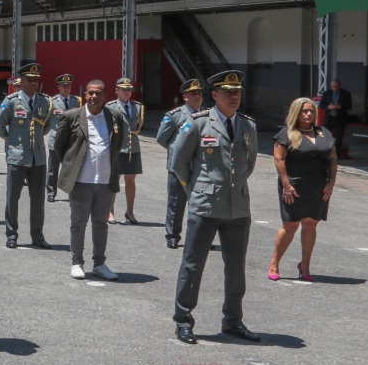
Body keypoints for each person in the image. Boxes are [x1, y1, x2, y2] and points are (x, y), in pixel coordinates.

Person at [167, 69, 260, 345]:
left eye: (238, 92)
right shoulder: (197, 123)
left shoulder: (248, 126)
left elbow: (248, 164)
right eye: (228, 92)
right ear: (215, 95)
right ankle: (183, 320)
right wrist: (195, 191)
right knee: (193, 266)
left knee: (236, 269)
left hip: (238, 209)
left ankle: (232, 320)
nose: (234, 96)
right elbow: (179, 163)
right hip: (205, 206)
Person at [50, 80, 127, 281]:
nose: (94, 97)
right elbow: (60, 147)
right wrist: (72, 166)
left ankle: (99, 264)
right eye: (90, 93)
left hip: (105, 180)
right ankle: (77, 263)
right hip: (81, 181)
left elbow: (118, 144)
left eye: (98, 94)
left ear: (105, 96)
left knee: (101, 223)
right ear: (85, 94)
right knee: (79, 222)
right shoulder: (71, 116)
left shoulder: (115, 117)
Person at [269, 97, 336, 282]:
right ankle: (274, 263)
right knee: (290, 225)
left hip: (318, 186)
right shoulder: (286, 133)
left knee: (310, 224)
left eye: (311, 111)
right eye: (304, 111)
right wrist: (286, 184)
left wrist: (331, 183)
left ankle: (305, 266)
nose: (308, 114)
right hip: (293, 185)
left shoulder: (324, 133)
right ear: (296, 113)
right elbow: (279, 159)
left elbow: (332, 160)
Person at [0, 63, 53, 250]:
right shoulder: (11, 101)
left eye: (36, 80)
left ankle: (38, 235)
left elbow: (48, 124)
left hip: (38, 157)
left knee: (38, 200)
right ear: (22, 81)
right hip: (17, 157)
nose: (33, 83)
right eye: (30, 80)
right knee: (13, 198)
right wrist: (14, 142)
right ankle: (11, 234)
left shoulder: (45, 101)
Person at [154, 79, 205, 249]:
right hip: (178, 166)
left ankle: (199, 236)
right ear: (185, 97)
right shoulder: (175, 115)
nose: (198, 96)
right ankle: (173, 235)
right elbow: (162, 139)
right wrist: (178, 151)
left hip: (200, 166)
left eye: (199, 93)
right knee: (176, 202)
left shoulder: (207, 115)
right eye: (193, 94)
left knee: (201, 203)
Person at [105, 79, 144, 223]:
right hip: (117, 147)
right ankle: (110, 211)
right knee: (114, 180)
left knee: (131, 180)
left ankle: (130, 212)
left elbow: (137, 127)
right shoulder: (110, 107)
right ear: (117, 90)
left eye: (129, 89)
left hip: (132, 147)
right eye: (123, 89)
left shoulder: (138, 107)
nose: (127, 92)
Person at [45, 73, 80, 203]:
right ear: (59, 87)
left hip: (70, 140)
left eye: (69, 85)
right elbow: (47, 120)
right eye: (64, 86)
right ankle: (51, 192)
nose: (67, 88)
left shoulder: (76, 101)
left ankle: (70, 191)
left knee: (70, 168)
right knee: (53, 169)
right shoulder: (52, 102)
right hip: (56, 139)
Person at [320, 79, 353, 159]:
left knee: (338, 138)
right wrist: (328, 107)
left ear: (340, 86)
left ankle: (336, 156)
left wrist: (340, 106)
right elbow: (321, 105)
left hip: (340, 118)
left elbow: (349, 106)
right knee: (324, 136)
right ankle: (324, 154)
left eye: (336, 86)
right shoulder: (327, 93)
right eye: (333, 86)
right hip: (329, 118)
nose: (334, 88)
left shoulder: (346, 94)